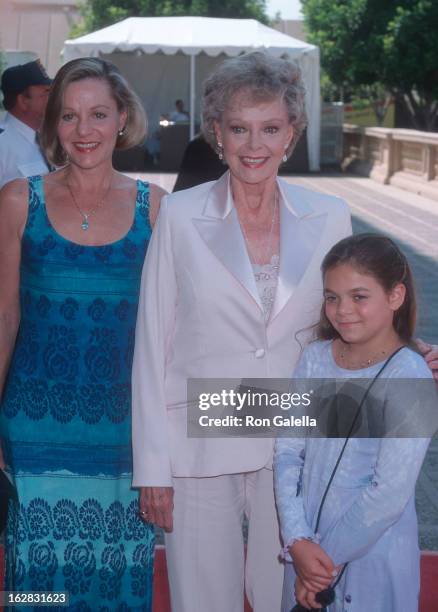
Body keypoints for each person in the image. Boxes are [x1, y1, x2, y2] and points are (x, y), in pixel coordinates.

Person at [131, 51, 353, 612]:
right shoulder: (180, 216)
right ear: (217, 135)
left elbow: (348, 322)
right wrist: (152, 468)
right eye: (239, 129)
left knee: (290, 600)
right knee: (203, 600)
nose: (255, 145)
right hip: (199, 441)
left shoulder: (330, 216)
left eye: (270, 129)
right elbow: (152, 342)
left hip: (293, 443)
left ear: (292, 136)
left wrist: (407, 353)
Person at [0, 57, 166, 609]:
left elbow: (182, 328)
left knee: (118, 578)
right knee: (38, 587)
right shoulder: (18, 201)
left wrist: (393, 346)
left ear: (122, 118)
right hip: (35, 424)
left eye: (98, 114)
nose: (84, 130)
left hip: (124, 432)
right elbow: (4, 319)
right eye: (68, 116)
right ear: (53, 125)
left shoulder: (158, 210)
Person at [274, 234, 435, 612]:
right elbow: (287, 452)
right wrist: (297, 540)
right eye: (332, 297)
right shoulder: (314, 358)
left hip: (371, 558)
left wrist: (321, 563)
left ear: (395, 296)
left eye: (359, 297)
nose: (342, 309)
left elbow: (389, 494)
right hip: (305, 550)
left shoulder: (410, 376)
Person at [0, 59, 52, 188]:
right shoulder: (2, 143)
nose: (53, 98)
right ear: (23, 101)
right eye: (46, 93)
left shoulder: (48, 138)